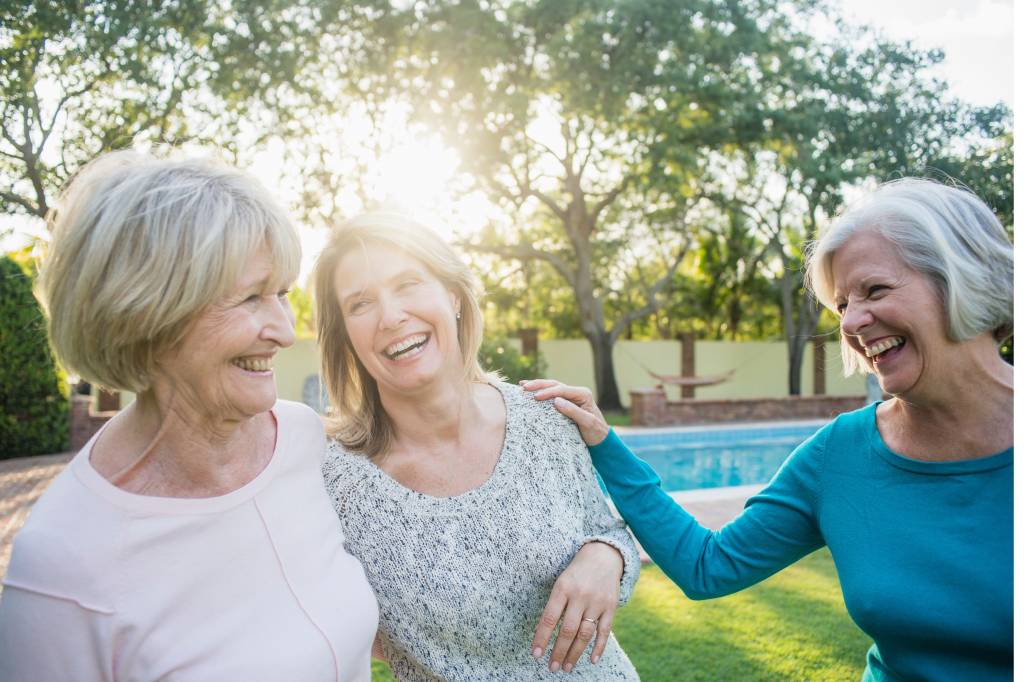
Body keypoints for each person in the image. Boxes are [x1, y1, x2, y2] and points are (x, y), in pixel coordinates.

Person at [525, 178, 1012, 681]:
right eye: (843, 304)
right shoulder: (839, 454)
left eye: (875, 290)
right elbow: (707, 566)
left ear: (964, 279)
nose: (852, 322)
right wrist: (605, 444)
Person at [0, 152, 378, 681]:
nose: (284, 330)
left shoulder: (300, 438)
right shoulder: (61, 565)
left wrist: (541, 535)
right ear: (145, 313)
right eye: (250, 297)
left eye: (282, 294)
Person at [314, 213, 641, 680]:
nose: (390, 317)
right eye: (361, 303)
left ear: (453, 296)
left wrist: (607, 557)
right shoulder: (333, 480)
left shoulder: (546, 417)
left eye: (407, 283)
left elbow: (608, 528)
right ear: (345, 334)